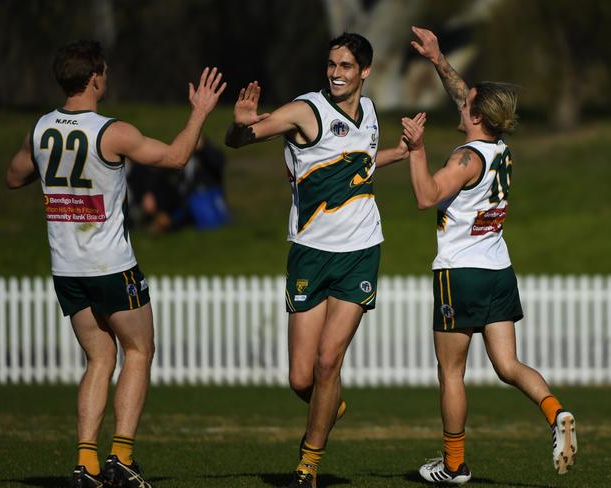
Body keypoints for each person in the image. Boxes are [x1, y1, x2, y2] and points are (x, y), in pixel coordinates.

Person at [6, 40, 225, 488]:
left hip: (67, 266)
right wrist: (200, 110)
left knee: (99, 358)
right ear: (94, 78)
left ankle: (85, 465)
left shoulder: (41, 127)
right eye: (104, 71)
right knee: (140, 352)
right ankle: (120, 459)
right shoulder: (112, 131)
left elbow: (14, 176)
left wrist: (54, 168)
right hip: (110, 264)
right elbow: (176, 157)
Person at [226, 33, 420, 488]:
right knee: (301, 377)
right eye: (331, 64)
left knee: (329, 362)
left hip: (360, 253)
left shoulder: (370, 113)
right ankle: (329, 404)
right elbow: (240, 140)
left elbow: (361, 164)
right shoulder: (305, 111)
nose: (335, 73)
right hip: (311, 254)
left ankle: (307, 467)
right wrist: (239, 125)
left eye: (346, 66)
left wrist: (402, 153)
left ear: (365, 72)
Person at [402, 26, 577, 484]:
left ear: (476, 116)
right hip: (499, 270)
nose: (460, 103)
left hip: (460, 275)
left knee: (452, 373)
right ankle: (555, 411)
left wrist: (417, 150)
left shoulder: (465, 158)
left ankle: (455, 466)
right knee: (507, 365)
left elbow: (425, 197)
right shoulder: (500, 149)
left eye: (467, 103)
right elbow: (466, 92)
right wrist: (439, 59)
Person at [127, 135, 228, 233]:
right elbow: (159, 173)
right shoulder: (179, 158)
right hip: (182, 199)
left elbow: (219, 163)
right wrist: (149, 193)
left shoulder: (205, 154)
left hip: (202, 197)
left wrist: (204, 148)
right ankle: (163, 220)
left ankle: (167, 222)